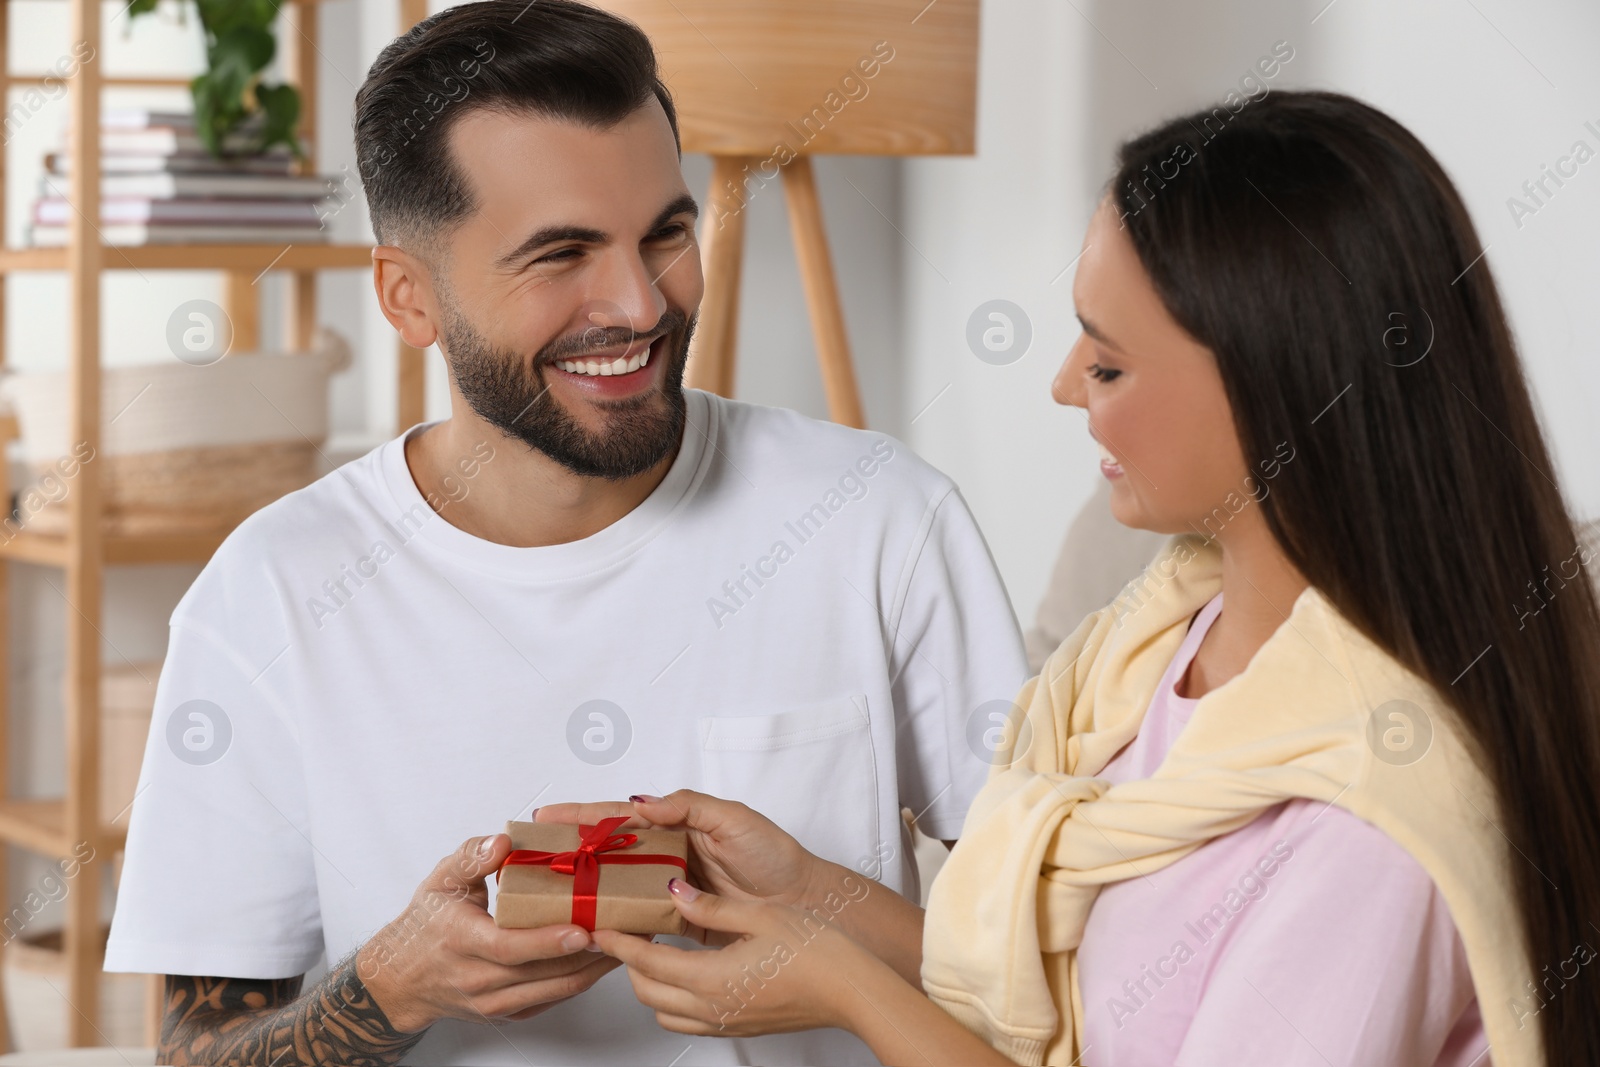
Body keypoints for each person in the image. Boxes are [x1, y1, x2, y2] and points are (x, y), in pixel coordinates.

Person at [557, 91, 1600, 1066]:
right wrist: (813, 896)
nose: (1063, 386)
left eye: (1106, 364)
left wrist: (843, 987)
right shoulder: (1161, 647)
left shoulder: (1370, 819)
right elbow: (1078, 996)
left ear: (1271, 389)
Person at [102, 3, 1029, 1064]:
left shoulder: (879, 517)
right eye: (561, 254)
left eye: (666, 233)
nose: (638, 302)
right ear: (410, 298)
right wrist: (390, 986)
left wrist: (825, 931)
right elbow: (195, 1049)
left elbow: (1057, 975)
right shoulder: (266, 595)